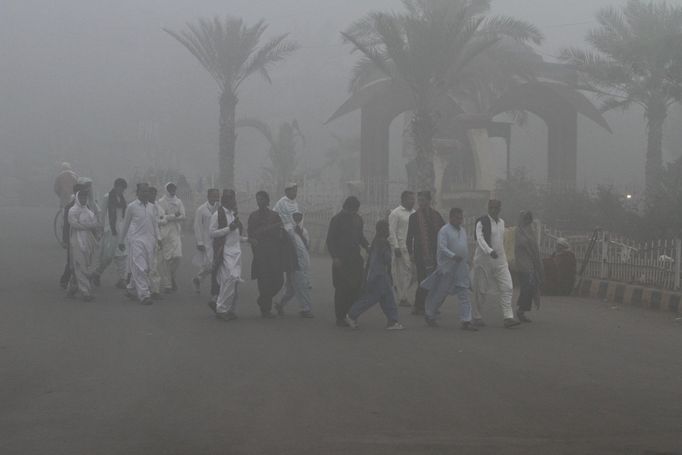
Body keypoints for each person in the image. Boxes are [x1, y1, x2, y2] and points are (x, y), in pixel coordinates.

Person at [421, 208, 477, 331]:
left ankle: (466, 320)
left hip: (461, 267)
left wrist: (467, 260)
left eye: (461, 218)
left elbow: (464, 247)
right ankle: (430, 314)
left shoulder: (462, 230)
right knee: (440, 293)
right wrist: (452, 256)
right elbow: (442, 247)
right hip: (447, 267)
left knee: (464, 292)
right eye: (457, 218)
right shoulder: (444, 231)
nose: (459, 220)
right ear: (451, 218)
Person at [345, 220, 404, 330]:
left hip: (376, 275)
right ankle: (351, 315)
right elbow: (386, 259)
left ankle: (392, 321)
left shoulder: (376, 241)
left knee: (387, 298)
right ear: (383, 230)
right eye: (387, 228)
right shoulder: (383, 243)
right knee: (371, 298)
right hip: (379, 276)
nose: (389, 231)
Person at [472, 200, 520, 328]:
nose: (494, 210)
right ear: (488, 208)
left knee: (508, 286)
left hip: (500, 261)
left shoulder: (502, 223)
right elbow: (479, 238)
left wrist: (505, 257)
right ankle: (477, 316)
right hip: (483, 261)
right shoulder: (481, 222)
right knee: (481, 290)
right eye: (491, 208)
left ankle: (508, 317)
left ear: (500, 209)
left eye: (496, 208)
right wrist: (489, 251)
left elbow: (502, 241)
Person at [326, 196, 370, 327]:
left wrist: (368, 247)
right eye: (352, 210)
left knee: (356, 287)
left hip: (355, 259)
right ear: (346, 207)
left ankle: (350, 315)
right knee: (341, 289)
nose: (354, 212)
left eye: (355, 210)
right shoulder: (337, 220)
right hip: (341, 259)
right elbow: (330, 240)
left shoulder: (358, 219)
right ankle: (340, 317)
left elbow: (360, 236)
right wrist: (335, 257)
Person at [247, 191, 288, 319]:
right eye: (257, 199)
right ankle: (266, 310)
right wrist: (256, 251)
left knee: (279, 280)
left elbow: (281, 234)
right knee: (264, 282)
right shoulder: (253, 216)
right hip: (261, 254)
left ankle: (263, 299)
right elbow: (251, 236)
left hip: (274, 253)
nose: (259, 202)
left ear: (267, 200)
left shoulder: (275, 216)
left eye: (261, 199)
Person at [119, 183, 160, 305]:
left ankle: (131, 288)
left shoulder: (153, 207)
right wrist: (121, 241)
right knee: (140, 267)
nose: (145, 193)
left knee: (145, 267)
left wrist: (159, 238)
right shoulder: (131, 207)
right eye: (143, 191)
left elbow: (155, 224)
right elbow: (125, 225)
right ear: (138, 192)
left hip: (150, 241)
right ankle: (144, 295)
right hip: (136, 240)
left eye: (147, 191)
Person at [406, 191, 445, 315]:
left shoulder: (436, 216)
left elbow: (444, 232)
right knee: (423, 279)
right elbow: (409, 237)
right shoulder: (414, 217)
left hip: (435, 253)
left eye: (423, 200)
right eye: (419, 200)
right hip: (420, 253)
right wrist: (410, 253)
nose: (420, 203)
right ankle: (418, 305)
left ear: (429, 201)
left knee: (433, 280)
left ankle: (430, 305)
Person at [209, 190, 245, 321]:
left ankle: (228, 309)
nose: (233, 201)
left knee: (233, 281)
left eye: (233, 198)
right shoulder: (217, 214)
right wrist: (229, 228)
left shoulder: (233, 214)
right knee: (228, 279)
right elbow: (212, 233)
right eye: (230, 199)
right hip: (224, 251)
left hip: (236, 253)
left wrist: (246, 239)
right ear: (224, 200)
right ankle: (221, 309)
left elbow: (235, 235)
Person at [277, 212, 314, 318]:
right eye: (295, 216)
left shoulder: (304, 230)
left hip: (304, 262)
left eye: (299, 217)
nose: (297, 219)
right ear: (291, 217)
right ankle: (306, 309)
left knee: (292, 288)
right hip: (293, 263)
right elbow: (284, 245)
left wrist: (300, 233)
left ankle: (280, 304)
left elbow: (306, 246)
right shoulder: (287, 230)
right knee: (302, 286)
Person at [66, 190, 101, 301]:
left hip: (88, 240)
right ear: (77, 198)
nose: (83, 200)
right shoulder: (73, 210)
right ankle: (85, 292)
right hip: (77, 240)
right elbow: (74, 224)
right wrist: (87, 226)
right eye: (81, 197)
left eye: (85, 198)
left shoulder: (88, 211)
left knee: (85, 264)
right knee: (80, 264)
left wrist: (88, 226)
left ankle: (72, 287)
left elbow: (95, 222)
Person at [93, 178, 128, 288]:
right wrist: (101, 230)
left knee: (122, 255)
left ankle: (122, 278)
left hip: (121, 229)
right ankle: (97, 273)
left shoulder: (122, 199)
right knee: (107, 256)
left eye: (123, 188)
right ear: (115, 186)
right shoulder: (107, 197)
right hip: (109, 229)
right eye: (120, 187)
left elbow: (123, 215)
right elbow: (102, 214)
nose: (121, 190)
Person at [515, 211, 544, 322]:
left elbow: (535, 247)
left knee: (530, 287)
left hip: (531, 263)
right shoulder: (518, 231)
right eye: (525, 219)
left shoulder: (530, 230)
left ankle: (522, 310)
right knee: (527, 286)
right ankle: (520, 310)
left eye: (528, 219)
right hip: (522, 263)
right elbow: (520, 244)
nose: (526, 221)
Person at [388, 191, 416, 307]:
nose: (413, 201)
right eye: (410, 199)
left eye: (413, 199)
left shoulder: (414, 213)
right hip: (400, 247)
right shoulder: (395, 213)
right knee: (401, 272)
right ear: (403, 199)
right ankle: (402, 297)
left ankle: (402, 293)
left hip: (412, 247)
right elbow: (392, 231)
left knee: (411, 272)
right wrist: (395, 246)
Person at [157, 182, 186, 292]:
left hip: (175, 231)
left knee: (177, 256)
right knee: (167, 258)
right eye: (170, 188)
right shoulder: (160, 202)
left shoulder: (178, 201)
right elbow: (161, 217)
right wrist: (174, 216)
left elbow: (183, 216)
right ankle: (168, 284)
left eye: (174, 188)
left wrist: (169, 217)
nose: (172, 190)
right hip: (165, 231)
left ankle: (172, 275)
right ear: (166, 189)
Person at [192, 188, 220, 294]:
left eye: (217, 196)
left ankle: (199, 279)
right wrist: (199, 241)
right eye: (214, 196)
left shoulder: (220, 209)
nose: (216, 198)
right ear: (208, 196)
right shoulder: (201, 209)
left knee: (215, 263)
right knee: (209, 263)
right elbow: (197, 226)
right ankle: (198, 279)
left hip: (217, 239)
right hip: (206, 240)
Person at [59, 183, 83, 289]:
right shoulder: (69, 207)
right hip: (72, 237)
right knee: (71, 260)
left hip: (83, 238)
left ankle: (75, 282)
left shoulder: (85, 205)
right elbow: (66, 226)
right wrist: (65, 240)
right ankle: (66, 280)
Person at [148, 187, 166, 300]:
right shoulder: (142, 207)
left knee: (155, 264)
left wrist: (157, 221)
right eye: (150, 194)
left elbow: (163, 220)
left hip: (156, 237)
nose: (152, 196)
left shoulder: (158, 207)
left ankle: (155, 289)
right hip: (143, 238)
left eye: (154, 194)